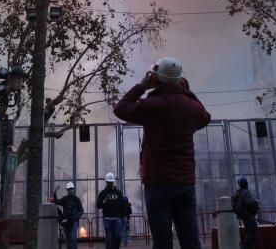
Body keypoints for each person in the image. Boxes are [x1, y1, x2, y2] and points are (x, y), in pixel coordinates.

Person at [114, 57, 211, 249]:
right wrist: (187, 91)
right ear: (179, 79)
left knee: (162, 240)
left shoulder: (153, 105)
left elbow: (121, 108)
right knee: (190, 238)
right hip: (185, 182)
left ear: (156, 78)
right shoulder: (191, 106)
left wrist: (142, 86)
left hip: (158, 182)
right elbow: (205, 117)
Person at [97, 173, 125, 249]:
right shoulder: (102, 193)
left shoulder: (118, 192)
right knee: (109, 237)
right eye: (109, 182)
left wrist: (123, 216)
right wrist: (104, 201)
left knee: (118, 236)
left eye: (111, 182)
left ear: (113, 182)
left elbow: (122, 205)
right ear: (106, 182)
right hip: (107, 218)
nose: (110, 184)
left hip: (117, 218)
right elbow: (98, 205)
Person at [53, 181, 84, 249]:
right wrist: (55, 193)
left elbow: (81, 210)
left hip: (73, 222)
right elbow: (57, 201)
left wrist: (75, 218)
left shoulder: (76, 199)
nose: (70, 190)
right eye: (69, 189)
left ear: (73, 189)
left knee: (72, 238)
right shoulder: (65, 199)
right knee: (68, 239)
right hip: (66, 222)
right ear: (67, 190)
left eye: (71, 189)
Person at [231, 177, 260, 249]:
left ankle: (246, 246)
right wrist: (255, 202)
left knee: (248, 232)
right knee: (252, 231)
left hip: (243, 216)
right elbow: (248, 202)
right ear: (245, 183)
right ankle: (246, 247)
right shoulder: (246, 192)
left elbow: (233, 205)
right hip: (248, 215)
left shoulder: (237, 193)